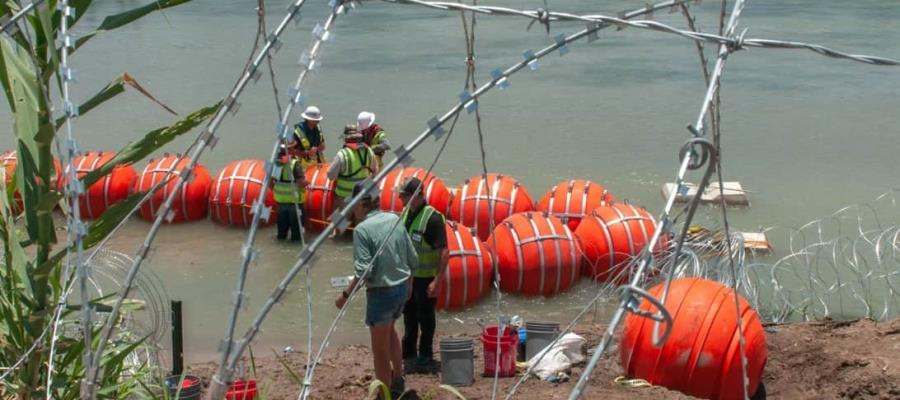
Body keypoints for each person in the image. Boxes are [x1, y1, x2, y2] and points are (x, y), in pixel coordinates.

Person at [335, 183, 418, 398]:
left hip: (382, 293)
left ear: (362, 203)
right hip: (401, 289)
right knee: (391, 331)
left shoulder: (362, 230)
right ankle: (398, 376)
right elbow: (413, 258)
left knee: (379, 350)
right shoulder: (395, 218)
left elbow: (365, 271)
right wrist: (409, 284)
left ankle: (384, 391)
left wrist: (344, 296)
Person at [396, 177, 449, 373]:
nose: (400, 198)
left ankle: (425, 355)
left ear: (417, 196)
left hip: (425, 279)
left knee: (425, 319)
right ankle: (408, 353)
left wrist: (437, 281)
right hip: (408, 278)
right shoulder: (406, 213)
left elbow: (444, 252)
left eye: (404, 195)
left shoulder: (432, 219)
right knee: (408, 316)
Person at [327, 124, 378, 211]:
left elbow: (331, 176)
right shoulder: (369, 151)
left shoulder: (342, 154)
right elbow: (375, 171)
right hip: (362, 196)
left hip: (345, 198)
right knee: (360, 221)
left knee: (341, 222)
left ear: (346, 139)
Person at [272, 138, 307, 242]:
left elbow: (270, 183)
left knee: (281, 235)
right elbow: (301, 183)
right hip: (295, 205)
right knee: (296, 236)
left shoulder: (275, 163)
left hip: (280, 205)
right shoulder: (295, 164)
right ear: (291, 150)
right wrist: (308, 183)